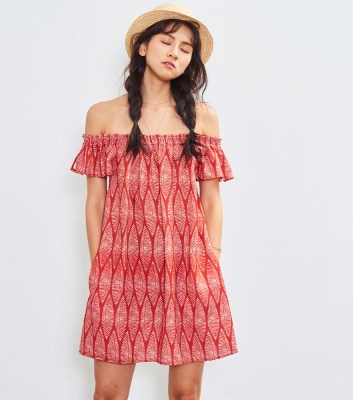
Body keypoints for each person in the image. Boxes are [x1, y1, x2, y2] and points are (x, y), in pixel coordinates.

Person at [70, 3, 238, 399]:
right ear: (143, 47)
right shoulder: (102, 115)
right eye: (167, 41)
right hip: (120, 269)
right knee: (108, 393)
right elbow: (95, 202)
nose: (175, 53)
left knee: (185, 394)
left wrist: (211, 258)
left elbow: (212, 200)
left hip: (188, 266)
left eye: (185, 49)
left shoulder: (202, 117)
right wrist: (100, 265)